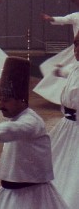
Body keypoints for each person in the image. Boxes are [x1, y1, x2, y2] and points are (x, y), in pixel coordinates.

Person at [0, 57, 69, 209]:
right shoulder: (17, 119)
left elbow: (13, 130)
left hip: (33, 196)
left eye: (6, 100)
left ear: (21, 100)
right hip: (11, 193)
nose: (1, 105)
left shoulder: (32, 122)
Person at [48, 30, 79, 208]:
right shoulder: (75, 68)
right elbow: (68, 73)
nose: (76, 49)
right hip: (66, 128)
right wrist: (59, 71)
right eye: (75, 44)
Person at [33, 0, 79, 105]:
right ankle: (65, 97)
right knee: (73, 72)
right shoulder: (76, 16)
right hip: (77, 49)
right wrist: (51, 19)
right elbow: (63, 19)